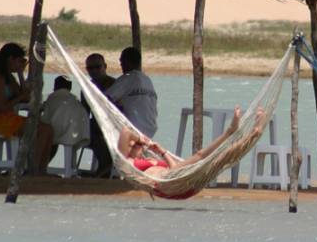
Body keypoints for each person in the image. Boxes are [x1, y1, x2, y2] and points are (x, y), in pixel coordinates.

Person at [117, 106, 265, 195]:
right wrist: (139, 139)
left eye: (136, 144)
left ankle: (253, 134)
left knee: (223, 159)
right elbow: (125, 131)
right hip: (164, 184)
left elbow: (175, 169)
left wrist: (162, 152)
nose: (134, 145)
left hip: (176, 180)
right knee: (201, 156)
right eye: (133, 145)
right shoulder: (128, 163)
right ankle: (229, 132)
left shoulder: (150, 159)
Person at [0, 42, 53, 175]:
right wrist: (19, 97)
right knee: (42, 130)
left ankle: (41, 169)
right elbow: (2, 107)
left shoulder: (9, 78)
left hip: (10, 118)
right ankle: (33, 169)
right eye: (20, 61)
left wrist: (21, 74)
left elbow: (25, 96)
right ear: (11, 59)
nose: (21, 64)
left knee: (48, 129)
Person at [106, 47, 158, 137]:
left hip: (132, 129)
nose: (120, 65)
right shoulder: (147, 80)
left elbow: (104, 98)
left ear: (127, 61)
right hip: (149, 131)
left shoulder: (128, 78)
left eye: (121, 62)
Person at [41, 75, 90, 150]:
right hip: (77, 134)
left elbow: (46, 117)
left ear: (55, 87)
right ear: (70, 88)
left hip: (57, 133)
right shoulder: (74, 100)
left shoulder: (53, 98)